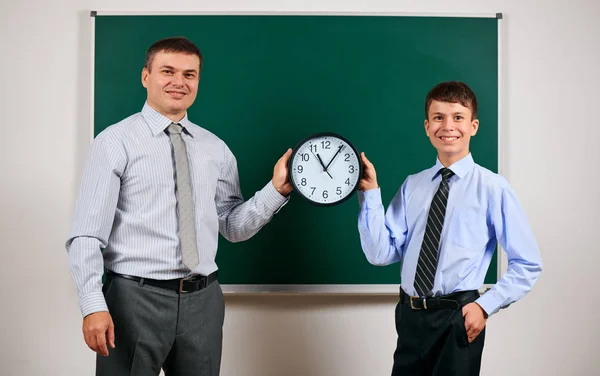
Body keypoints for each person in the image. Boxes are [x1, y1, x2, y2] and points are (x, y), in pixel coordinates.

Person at [65, 36, 293, 375]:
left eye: (190, 74)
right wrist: (92, 304)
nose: (179, 82)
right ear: (146, 76)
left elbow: (231, 226)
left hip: (203, 301)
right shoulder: (114, 143)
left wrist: (276, 190)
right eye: (167, 71)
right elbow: (86, 234)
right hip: (133, 299)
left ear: (198, 80)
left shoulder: (215, 148)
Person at [357, 81, 542, 375]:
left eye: (458, 117)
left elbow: (528, 263)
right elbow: (380, 253)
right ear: (427, 127)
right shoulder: (412, 185)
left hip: (458, 318)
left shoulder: (493, 188)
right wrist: (370, 193)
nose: (448, 126)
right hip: (410, 316)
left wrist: (485, 306)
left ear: (473, 126)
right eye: (439, 117)